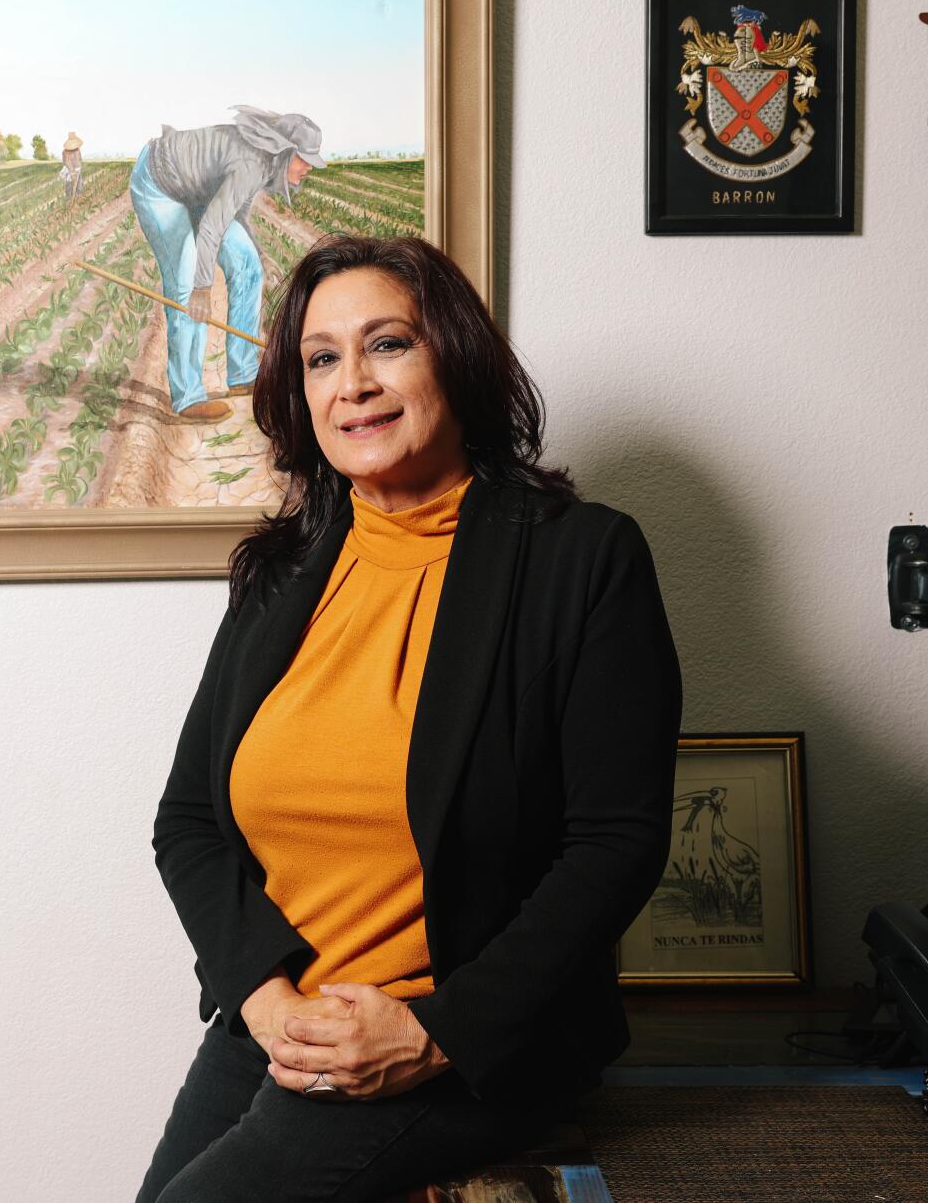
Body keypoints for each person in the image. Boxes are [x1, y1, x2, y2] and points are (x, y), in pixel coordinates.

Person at [139, 235, 683, 1201]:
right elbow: (187, 822)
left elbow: (616, 842)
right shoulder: (279, 572)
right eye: (321, 357)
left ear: (455, 358)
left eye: (388, 344)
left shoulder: (582, 560)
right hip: (276, 1017)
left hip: (469, 1042)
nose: (354, 383)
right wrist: (263, 1004)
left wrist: (435, 1034)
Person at [129, 106, 323, 424]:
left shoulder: (263, 163)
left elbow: (236, 213)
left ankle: (243, 373)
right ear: (285, 152)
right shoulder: (251, 162)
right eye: (305, 160)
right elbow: (211, 227)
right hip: (160, 184)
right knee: (185, 285)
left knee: (248, 267)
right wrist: (203, 287)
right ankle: (188, 396)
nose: (308, 169)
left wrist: (254, 252)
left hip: (197, 190)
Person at [60, 131, 84, 199]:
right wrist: (72, 171)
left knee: (79, 183)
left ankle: (79, 196)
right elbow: (66, 162)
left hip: (77, 168)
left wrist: (79, 167)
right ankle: (69, 198)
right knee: (69, 183)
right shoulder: (65, 152)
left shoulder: (77, 150)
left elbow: (79, 159)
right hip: (68, 169)